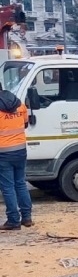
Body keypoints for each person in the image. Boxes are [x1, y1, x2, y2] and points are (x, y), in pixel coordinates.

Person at [0, 89, 33, 230]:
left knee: (8, 187)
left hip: (3, 153)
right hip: (20, 150)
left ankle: (13, 221)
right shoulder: (20, 104)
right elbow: (25, 124)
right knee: (20, 183)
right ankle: (27, 217)